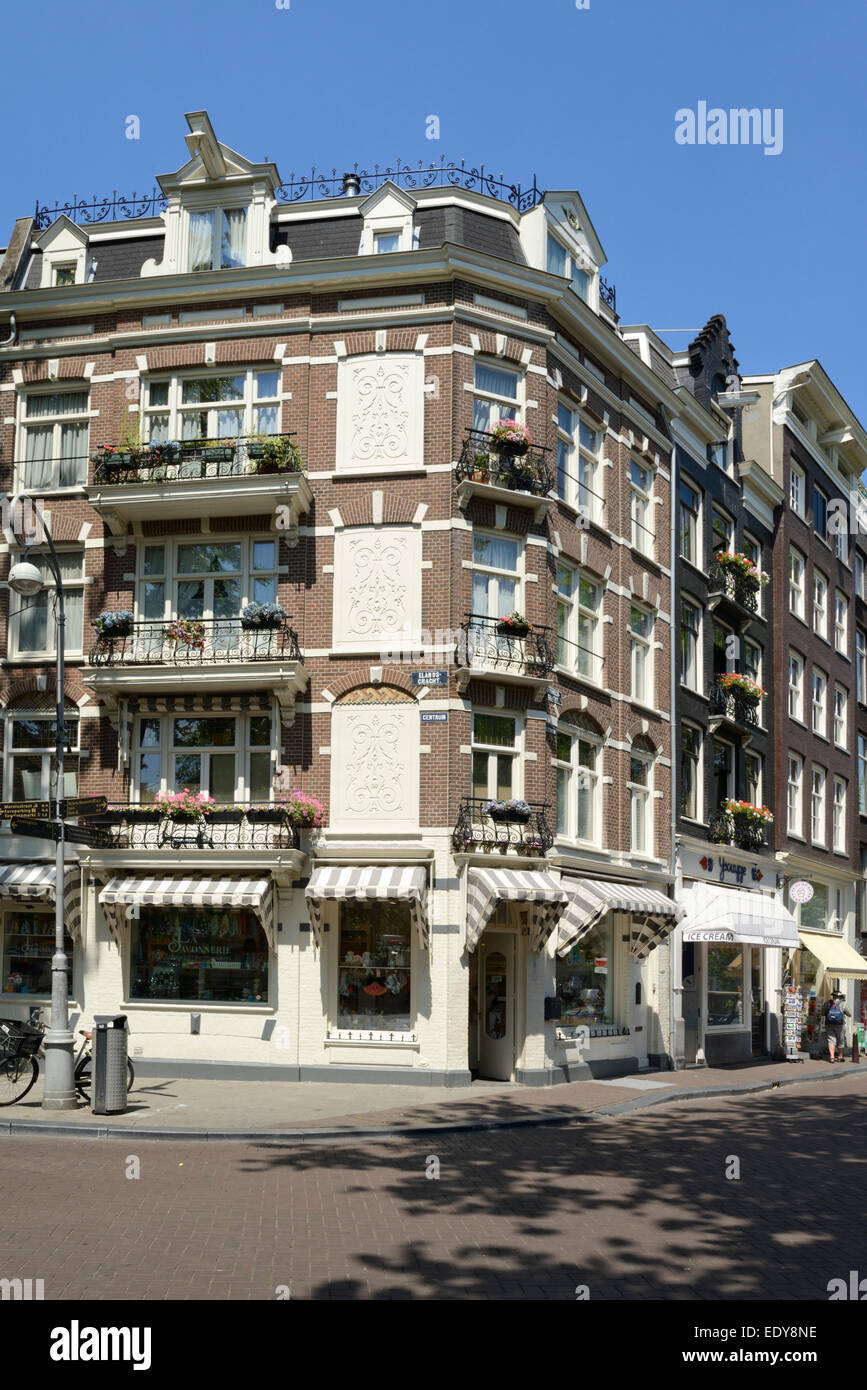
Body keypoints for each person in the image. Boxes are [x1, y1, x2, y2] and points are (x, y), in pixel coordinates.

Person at [824, 991, 851, 1062]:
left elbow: (822, 1013)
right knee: (840, 1040)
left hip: (829, 1024)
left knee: (831, 1040)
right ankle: (840, 1056)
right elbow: (849, 1014)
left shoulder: (827, 1003)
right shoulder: (843, 1003)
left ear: (833, 996)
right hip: (840, 1025)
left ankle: (832, 1057)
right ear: (840, 996)